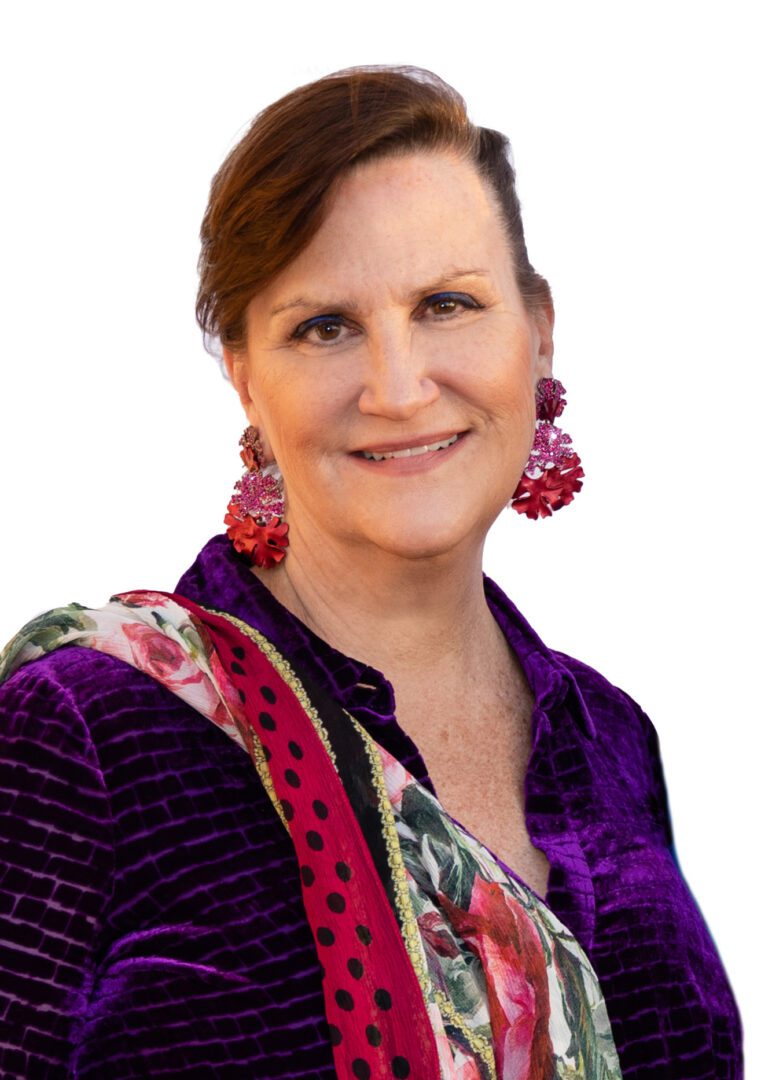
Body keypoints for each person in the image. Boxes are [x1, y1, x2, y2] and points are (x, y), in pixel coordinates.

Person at [0, 65, 741, 1079]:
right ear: (246, 375)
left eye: (446, 303)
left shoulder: (609, 737)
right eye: (325, 327)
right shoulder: (86, 728)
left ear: (538, 332)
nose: (397, 388)